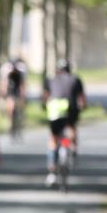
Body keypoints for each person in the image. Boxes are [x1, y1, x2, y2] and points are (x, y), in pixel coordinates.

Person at [41, 59, 87, 187]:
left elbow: (45, 97)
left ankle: (51, 172)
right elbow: (82, 99)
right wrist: (83, 107)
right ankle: (72, 149)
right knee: (71, 129)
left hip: (55, 110)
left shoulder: (50, 79)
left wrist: (44, 106)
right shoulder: (76, 79)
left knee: (53, 140)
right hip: (70, 110)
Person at [0, 58, 28, 141]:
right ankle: (10, 123)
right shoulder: (7, 72)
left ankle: (19, 126)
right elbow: (3, 84)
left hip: (17, 92)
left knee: (20, 110)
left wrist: (23, 96)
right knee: (10, 108)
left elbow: (22, 85)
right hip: (10, 92)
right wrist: (2, 93)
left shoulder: (20, 73)